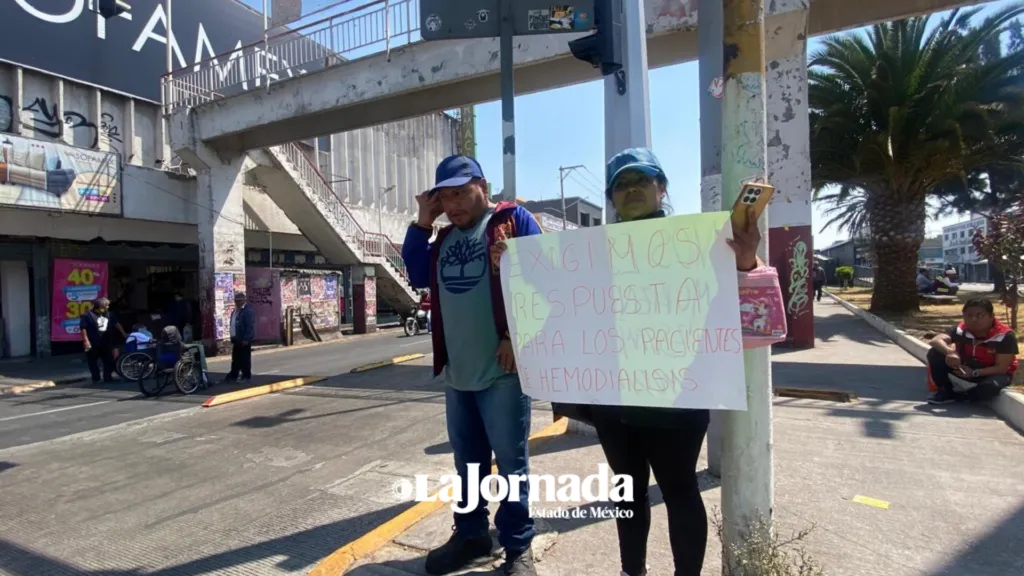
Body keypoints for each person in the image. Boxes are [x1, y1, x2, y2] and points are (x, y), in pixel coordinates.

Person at [588, 148, 765, 576]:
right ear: (611, 197)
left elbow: (751, 306)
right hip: (614, 404)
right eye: (620, 184)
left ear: (660, 188)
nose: (630, 190)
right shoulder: (589, 252)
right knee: (627, 494)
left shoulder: (698, 241)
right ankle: (633, 572)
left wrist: (745, 260)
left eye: (641, 181)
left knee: (680, 490)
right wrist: (511, 267)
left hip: (677, 399)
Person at [402, 155, 543, 576]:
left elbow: (545, 281)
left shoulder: (513, 220)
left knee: (511, 464)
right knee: (468, 466)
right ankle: (471, 536)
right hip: (458, 374)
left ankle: (518, 548)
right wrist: (422, 221)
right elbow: (415, 273)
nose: (454, 203)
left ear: (482, 185)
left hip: (503, 373)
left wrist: (514, 337)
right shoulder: (442, 240)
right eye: (445, 196)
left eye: (461, 192)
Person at [927, 299, 1018, 405]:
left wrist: (974, 373)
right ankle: (945, 390)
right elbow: (935, 340)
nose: (974, 319)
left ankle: (964, 396)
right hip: (964, 368)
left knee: (991, 387)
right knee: (935, 352)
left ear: (991, 316)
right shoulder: (960, 330)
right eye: (969, 316)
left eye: (980, 316)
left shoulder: (1005, 336)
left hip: (990, 373)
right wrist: (950, 352)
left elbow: (1001, 368)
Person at [80, 297, 127, 383]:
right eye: (107, 305)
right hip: (93, 342)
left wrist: (123, 333)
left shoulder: (109, 314)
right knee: (92, 360)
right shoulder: (87, 316)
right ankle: (96, 378)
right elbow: (83, 329)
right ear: (101, 306)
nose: (108, 307)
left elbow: (117, 324)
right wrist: (86, 341)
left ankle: (107, 377)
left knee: (109, 359)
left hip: (106, 341)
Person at [224, 292, 256, 383]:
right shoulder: (235, 311)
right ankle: (234, 375)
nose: (237, 302)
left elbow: (250, 326)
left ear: (244, 301)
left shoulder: (247, 311)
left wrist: (247, 338)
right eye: (236, 301)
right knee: (236, 358)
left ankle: (246, 375)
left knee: (245, 358)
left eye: (239, 301)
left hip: (243, 339)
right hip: (236, 338)